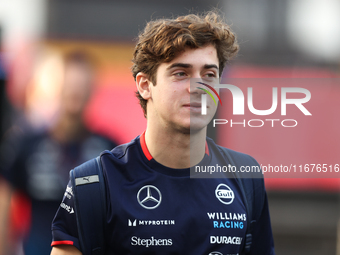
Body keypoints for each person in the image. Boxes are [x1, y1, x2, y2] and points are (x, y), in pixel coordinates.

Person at [50, 11, 275, 255]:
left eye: (209, 75)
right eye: (181, 73)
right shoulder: (93, 183)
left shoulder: (245, 177)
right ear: (145, 85)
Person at [0, 51, 117, 255]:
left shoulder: (108, 149)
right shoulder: (26, 144)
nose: (75, 91)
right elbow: (4, 202)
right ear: (55, 86)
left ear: (92, 89)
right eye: (70, 83)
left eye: (81, 85)